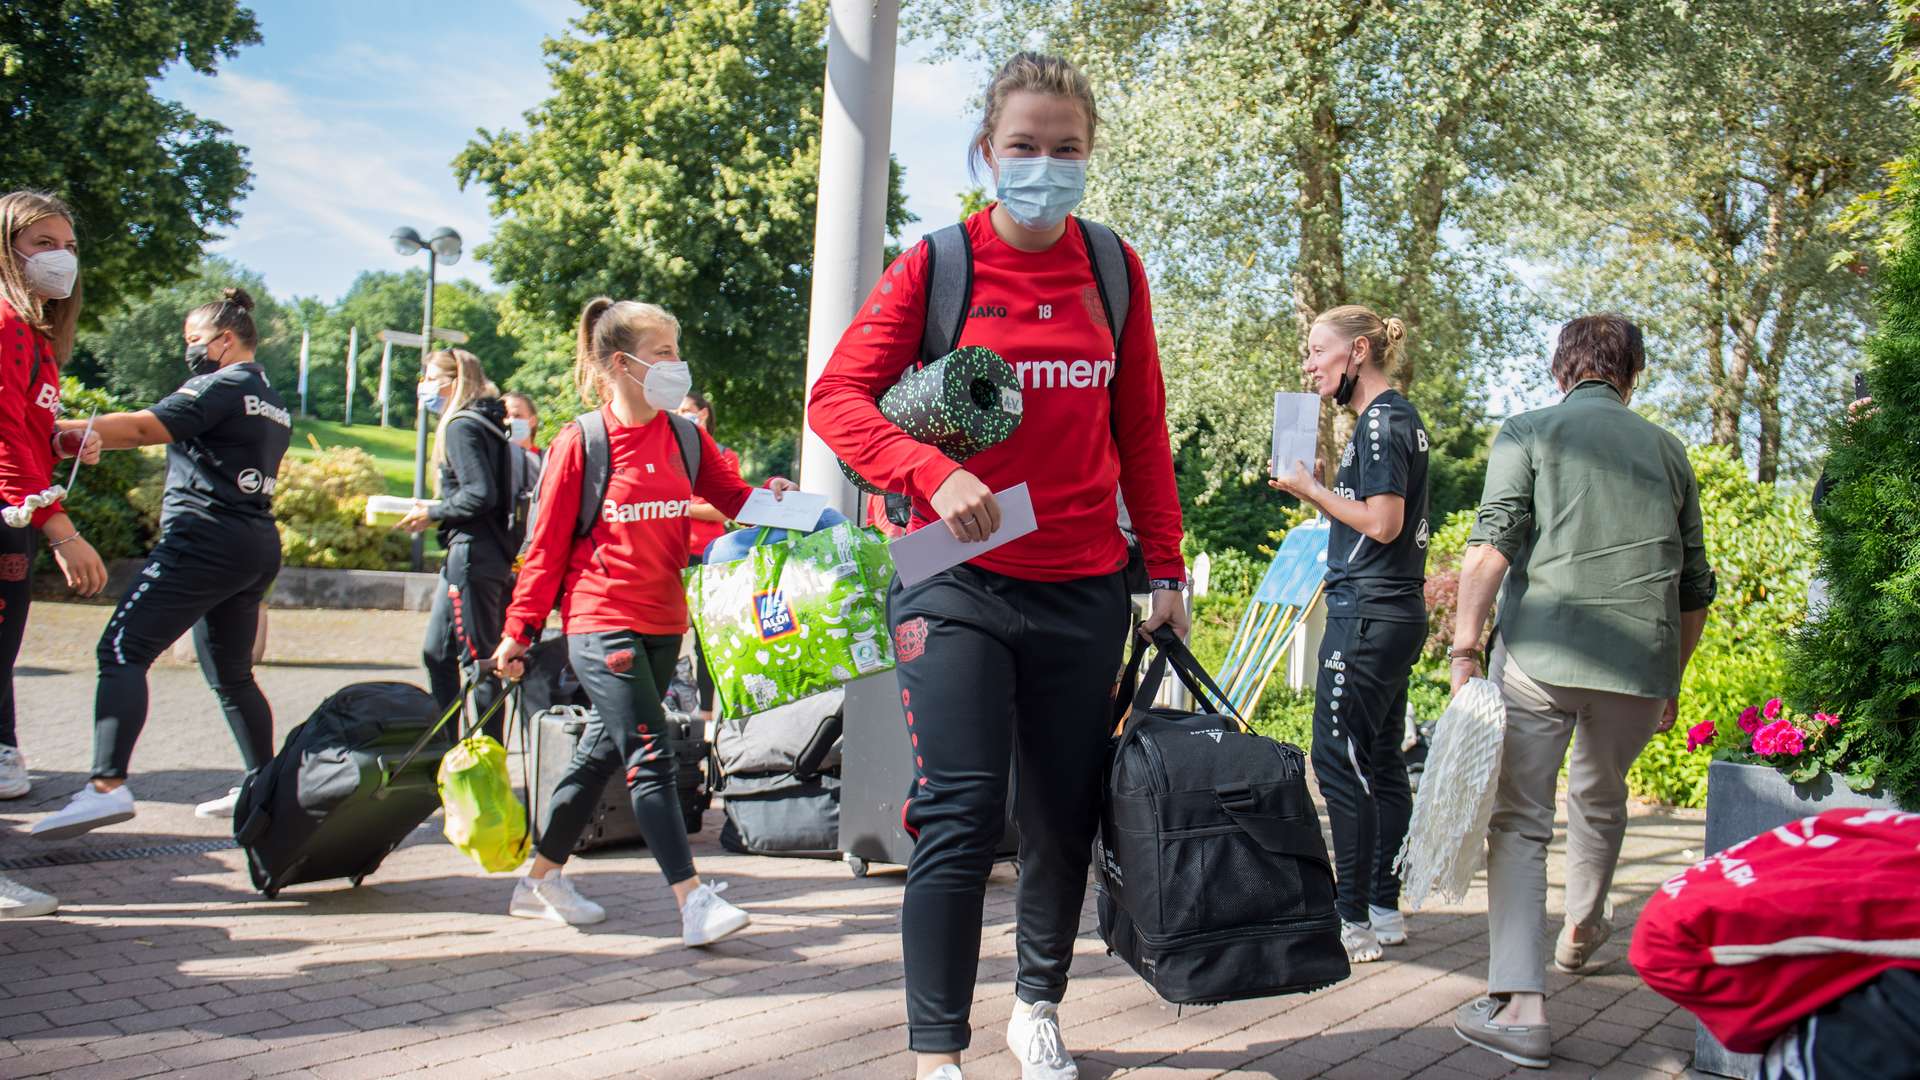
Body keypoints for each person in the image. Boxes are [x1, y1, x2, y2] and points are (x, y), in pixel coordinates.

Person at [808, 52, 1187, 1080]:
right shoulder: (938, 265)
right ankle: (937, 1050)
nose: (1044, 166)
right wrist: (927, 469)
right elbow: (836, 398)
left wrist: (1167, 570)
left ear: (1089, 156)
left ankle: (1037, 1007)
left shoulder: (1112, 268)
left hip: (1082, 584)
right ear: (985, 153)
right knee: (963, 810)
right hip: (954, 578)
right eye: (1023, 147)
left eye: (1066, 149)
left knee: (1060, 810)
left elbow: (1142, 433)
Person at [1445, 314, 1715, 1069]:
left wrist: (1465, 648)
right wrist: (1673, 677)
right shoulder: (1668, 449)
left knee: (1522, 820)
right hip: (1640, 664)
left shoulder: (1529, 431)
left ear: (1563, 369)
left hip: (1542, 656)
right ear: (1631, 375)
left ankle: (1520, 1007)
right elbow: (1695, 584)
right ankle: (1583, 931)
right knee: (1600, 798)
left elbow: (1493, 542)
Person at [489, 297, 793, 943]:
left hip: (663, 622)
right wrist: (519, 632)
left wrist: (787, 504)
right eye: (663, 353)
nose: (676, 365)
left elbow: (736, 499)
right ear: (622, 364)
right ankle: (691, 901)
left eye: (676, 352)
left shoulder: (686, 436)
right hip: (601, 622)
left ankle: (539, 878)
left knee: (601, 751)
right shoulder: (582, 441)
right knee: (650, 756)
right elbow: (542, 550)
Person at [30, 287, 292, 840]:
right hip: (254, 542)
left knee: (123, 649)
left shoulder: (218, 385)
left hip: (203, 540)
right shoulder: (271, 398)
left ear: (224, 341)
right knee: (233, 675)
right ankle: (263, 787)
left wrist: (62, 434)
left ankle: (106, 787)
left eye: (193, 341)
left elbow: (148, 427)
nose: (188, 352)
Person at [1268, 306, 1430, 965]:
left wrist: (1310, 489)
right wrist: (1325, 482)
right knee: (1384, 761)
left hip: (1366, 614)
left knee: (1338, 760)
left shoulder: (1383, 420)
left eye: (1317, 350)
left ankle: (1352, 918)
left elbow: (1384, 523)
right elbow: (1372, 512)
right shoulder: (1400, 420)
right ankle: (1384, 908)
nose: (1309, 364)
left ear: (1357, 351)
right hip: (1395, 612)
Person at [0, 190, 106, 917]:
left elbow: (25, 431)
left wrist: (64, 438)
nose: (59, 256)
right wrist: (60, 528)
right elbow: (4, 445)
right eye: (42, 241)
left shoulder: (35, 339)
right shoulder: (7, 326)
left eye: (66, 242)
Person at [398, 349, 517, 740]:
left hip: (473, 555)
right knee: (437, 654)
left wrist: (433, 512)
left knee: (478, 663)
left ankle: (487, 757)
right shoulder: (486, 424)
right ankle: (448, 746)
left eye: (431, 378)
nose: (425, 387)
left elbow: (479, 494)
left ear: (453, 382)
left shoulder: (461, 427)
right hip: (472, 553)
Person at [676, 390, 737, 725]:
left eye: (689, 410)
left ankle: (707, 710)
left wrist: (681, 507)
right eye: (678, 409)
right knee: (669, 630)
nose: (682, 414)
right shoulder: (669, 450)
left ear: (704, 414)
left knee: (704, 636)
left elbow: (721, 509)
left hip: (706, 556)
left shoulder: (723, 454)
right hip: (674, 552)